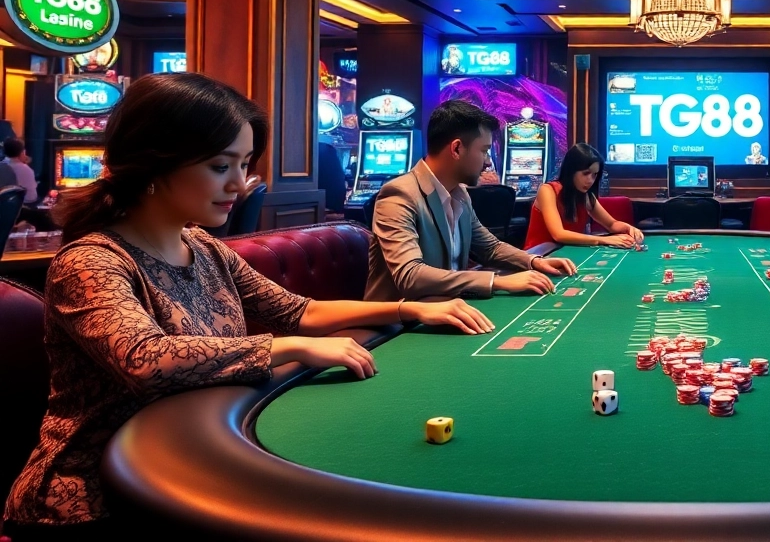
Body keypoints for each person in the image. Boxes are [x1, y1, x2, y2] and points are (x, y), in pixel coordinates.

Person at [2, 74, 496, 540]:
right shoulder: (89, 261)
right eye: (221, 166)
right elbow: (146, 359)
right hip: (91, 503)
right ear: (153, 163)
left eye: (243, 165)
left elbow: (299, 310)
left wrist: (411, 310)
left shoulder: (203, 245)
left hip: (192, 467)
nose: (240, 185)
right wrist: (290, 349)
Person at [365, 100, 577, 302]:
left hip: (446, 309)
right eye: (484, 151)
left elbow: (490, 248)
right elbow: (410, 275)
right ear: (457, 149)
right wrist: (497, 282)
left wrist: (534, 261)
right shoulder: (399, 194)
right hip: (395, 329)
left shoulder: (459, 193)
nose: (488, 162)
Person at [524, 143, 645, 249]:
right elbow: (559, 234)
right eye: (586, 173)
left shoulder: (586, 196)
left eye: (594, 175)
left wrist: (629, 228)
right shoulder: (547, 190)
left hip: (566, 254)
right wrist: (604, 240)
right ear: (571, 171)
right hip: (539, 256)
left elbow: (611, 224)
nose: (590, 180)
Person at [2, 137, 38, 204]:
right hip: (24, 207)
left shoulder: (2, 166)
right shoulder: (27, 170)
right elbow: (32, 197)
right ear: (22, 152)